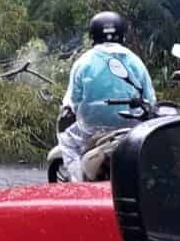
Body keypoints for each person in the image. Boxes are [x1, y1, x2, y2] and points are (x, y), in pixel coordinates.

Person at [57, 11, 155, 181]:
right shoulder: (135, 61)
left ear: (92, 36)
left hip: (90, 131)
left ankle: (78, 183)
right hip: (130, 129)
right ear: (122, 35)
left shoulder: (83, 62)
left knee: (66, 140)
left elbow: (72, 101)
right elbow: (151, 99)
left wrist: (68, 109)